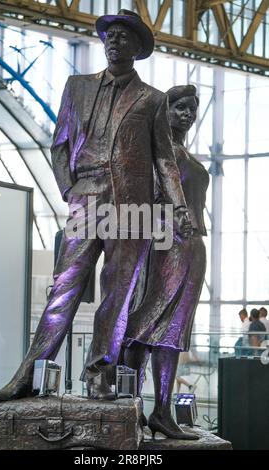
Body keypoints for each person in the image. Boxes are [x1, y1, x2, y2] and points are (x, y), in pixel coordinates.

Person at [0, 10, 190, 402]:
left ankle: (99, 374)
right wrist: (70, 190)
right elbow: (59, 144)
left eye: (123, 36)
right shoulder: (76, 86)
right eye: (110, 35)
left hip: (132, 209)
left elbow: (164, 160)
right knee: (63, 288)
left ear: (137, 47)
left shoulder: (151, 100)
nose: (114, 41)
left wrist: (179, 207)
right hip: (85, 200)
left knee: (117, 293)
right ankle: (29, 372)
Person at [122, 85, 209, 440]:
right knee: (145, 321)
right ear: (165, 110)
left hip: (192, 246)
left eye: (192, 109)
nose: (187, 114)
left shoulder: (183, 154)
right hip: (164, 240)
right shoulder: (156, 153)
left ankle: (161, 410)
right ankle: (130, 405)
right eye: (180, 108)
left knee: (173, 331)